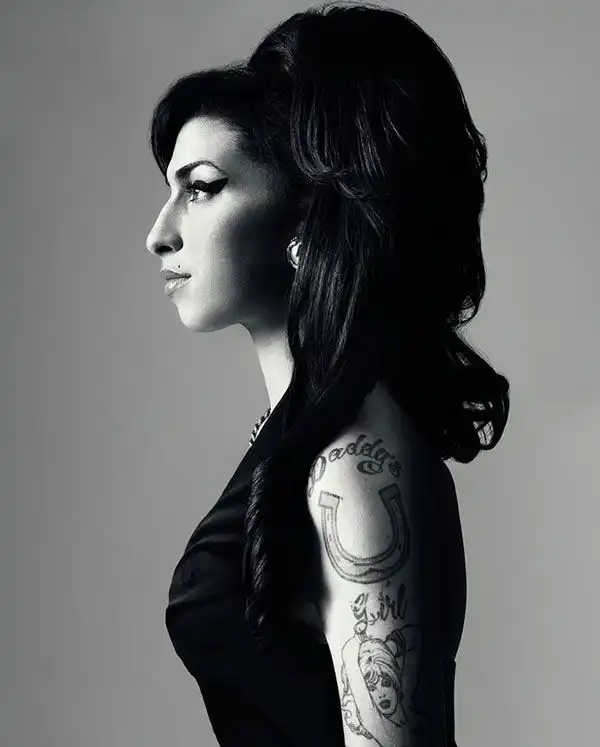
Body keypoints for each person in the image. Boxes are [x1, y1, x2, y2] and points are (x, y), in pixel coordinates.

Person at [145, 2, 510, 745]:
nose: (160, 233)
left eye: (203, 186)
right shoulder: (309, 438)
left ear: (306, 213)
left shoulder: (355, 463)